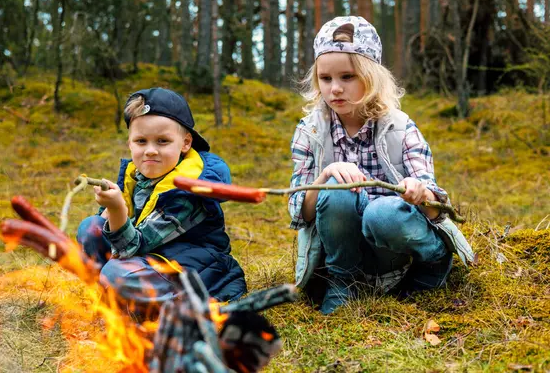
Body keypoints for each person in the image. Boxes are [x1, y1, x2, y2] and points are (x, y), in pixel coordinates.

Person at [288, 16, 474, 315]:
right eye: (326, 79)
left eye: (347, 77)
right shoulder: (310, 131)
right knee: (335, 189)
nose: (335, 88)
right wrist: (324, 176)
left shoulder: (400, 128)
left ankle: (432, 262)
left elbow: (436, 203)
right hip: (344, 252)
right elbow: (300, 210)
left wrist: (420, 191)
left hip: (396, 244)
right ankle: (345, 282)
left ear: (372, 77)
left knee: (382, 212)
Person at [77, 88, 247, 317]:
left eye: (163, 141)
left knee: (116, 272)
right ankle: (113, 301)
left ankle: (166, 304)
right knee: (91, 228)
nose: (150, 150)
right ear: (130, 143)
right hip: (149, 261)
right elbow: (114, 237)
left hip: (198, 270)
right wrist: (109, 210)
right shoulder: (136, 177)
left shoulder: (186, 190)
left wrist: (117, 208)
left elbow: (130, 248)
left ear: (186, 143)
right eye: (141, 141)